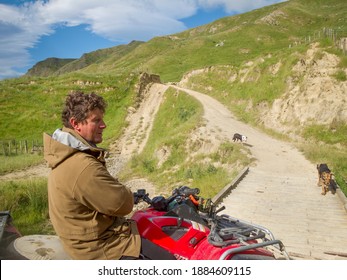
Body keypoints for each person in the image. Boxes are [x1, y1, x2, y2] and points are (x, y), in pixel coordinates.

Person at [43, 91, 141, 260]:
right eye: (96, 120)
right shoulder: (82, 166)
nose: (104, 125)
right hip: (103, 248)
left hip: (83, 241)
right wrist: (126, 192)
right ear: (76, 124)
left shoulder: (64, 154)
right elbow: (123, 204)